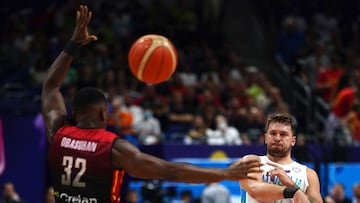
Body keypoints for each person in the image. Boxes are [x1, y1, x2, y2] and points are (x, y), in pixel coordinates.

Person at [41, 5, 262, 203]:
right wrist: (226, 174)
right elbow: (171, 171)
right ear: (102, 114)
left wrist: (72, 45)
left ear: (75, 113)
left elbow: (50, 87)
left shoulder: (58, 133)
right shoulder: (112, 148)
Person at [238, 113, 323, 203]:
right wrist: (293, 192)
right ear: (266, 138)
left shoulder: (308, 174)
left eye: (283, 134)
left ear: (293, 141)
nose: (277, 138)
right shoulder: (250, 161)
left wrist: (291, 184)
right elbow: (255, 190)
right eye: (273, 133)